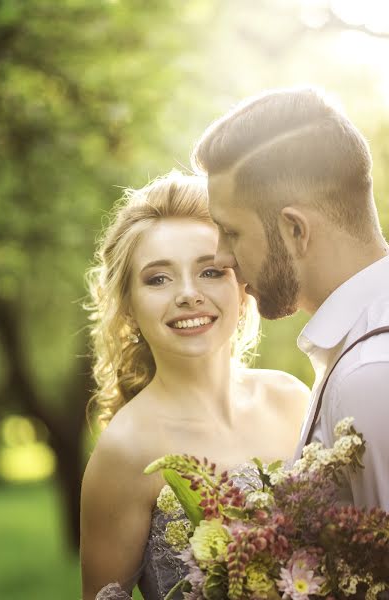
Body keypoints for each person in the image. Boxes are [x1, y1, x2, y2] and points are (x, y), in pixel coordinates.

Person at [80, 171, 309, 599]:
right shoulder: (125, 451)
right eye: (158, 279)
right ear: (128, 305)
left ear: (243, 290)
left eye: (210, 271)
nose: (188, 294)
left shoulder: (294, 400)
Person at [191, 86, 389, 511]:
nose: (223, 257)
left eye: (232, 232)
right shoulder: (358, 348)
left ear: (295, 230)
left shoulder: (370, 375)